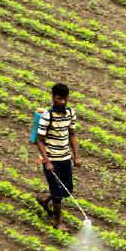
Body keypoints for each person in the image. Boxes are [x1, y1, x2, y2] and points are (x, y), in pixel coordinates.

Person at [36, 83, 81, 231]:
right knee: (57, 192)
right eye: (59, 99)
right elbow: (40, 141)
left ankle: (44, 199)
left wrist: (76, 156)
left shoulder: (71, 113)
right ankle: (58, 222)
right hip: (51, 158)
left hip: (65, 157)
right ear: (53, 97)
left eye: (65, 99)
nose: (62, 102)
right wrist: (47, 161)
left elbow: (72, 135)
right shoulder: (47, 116)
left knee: (67, 189)